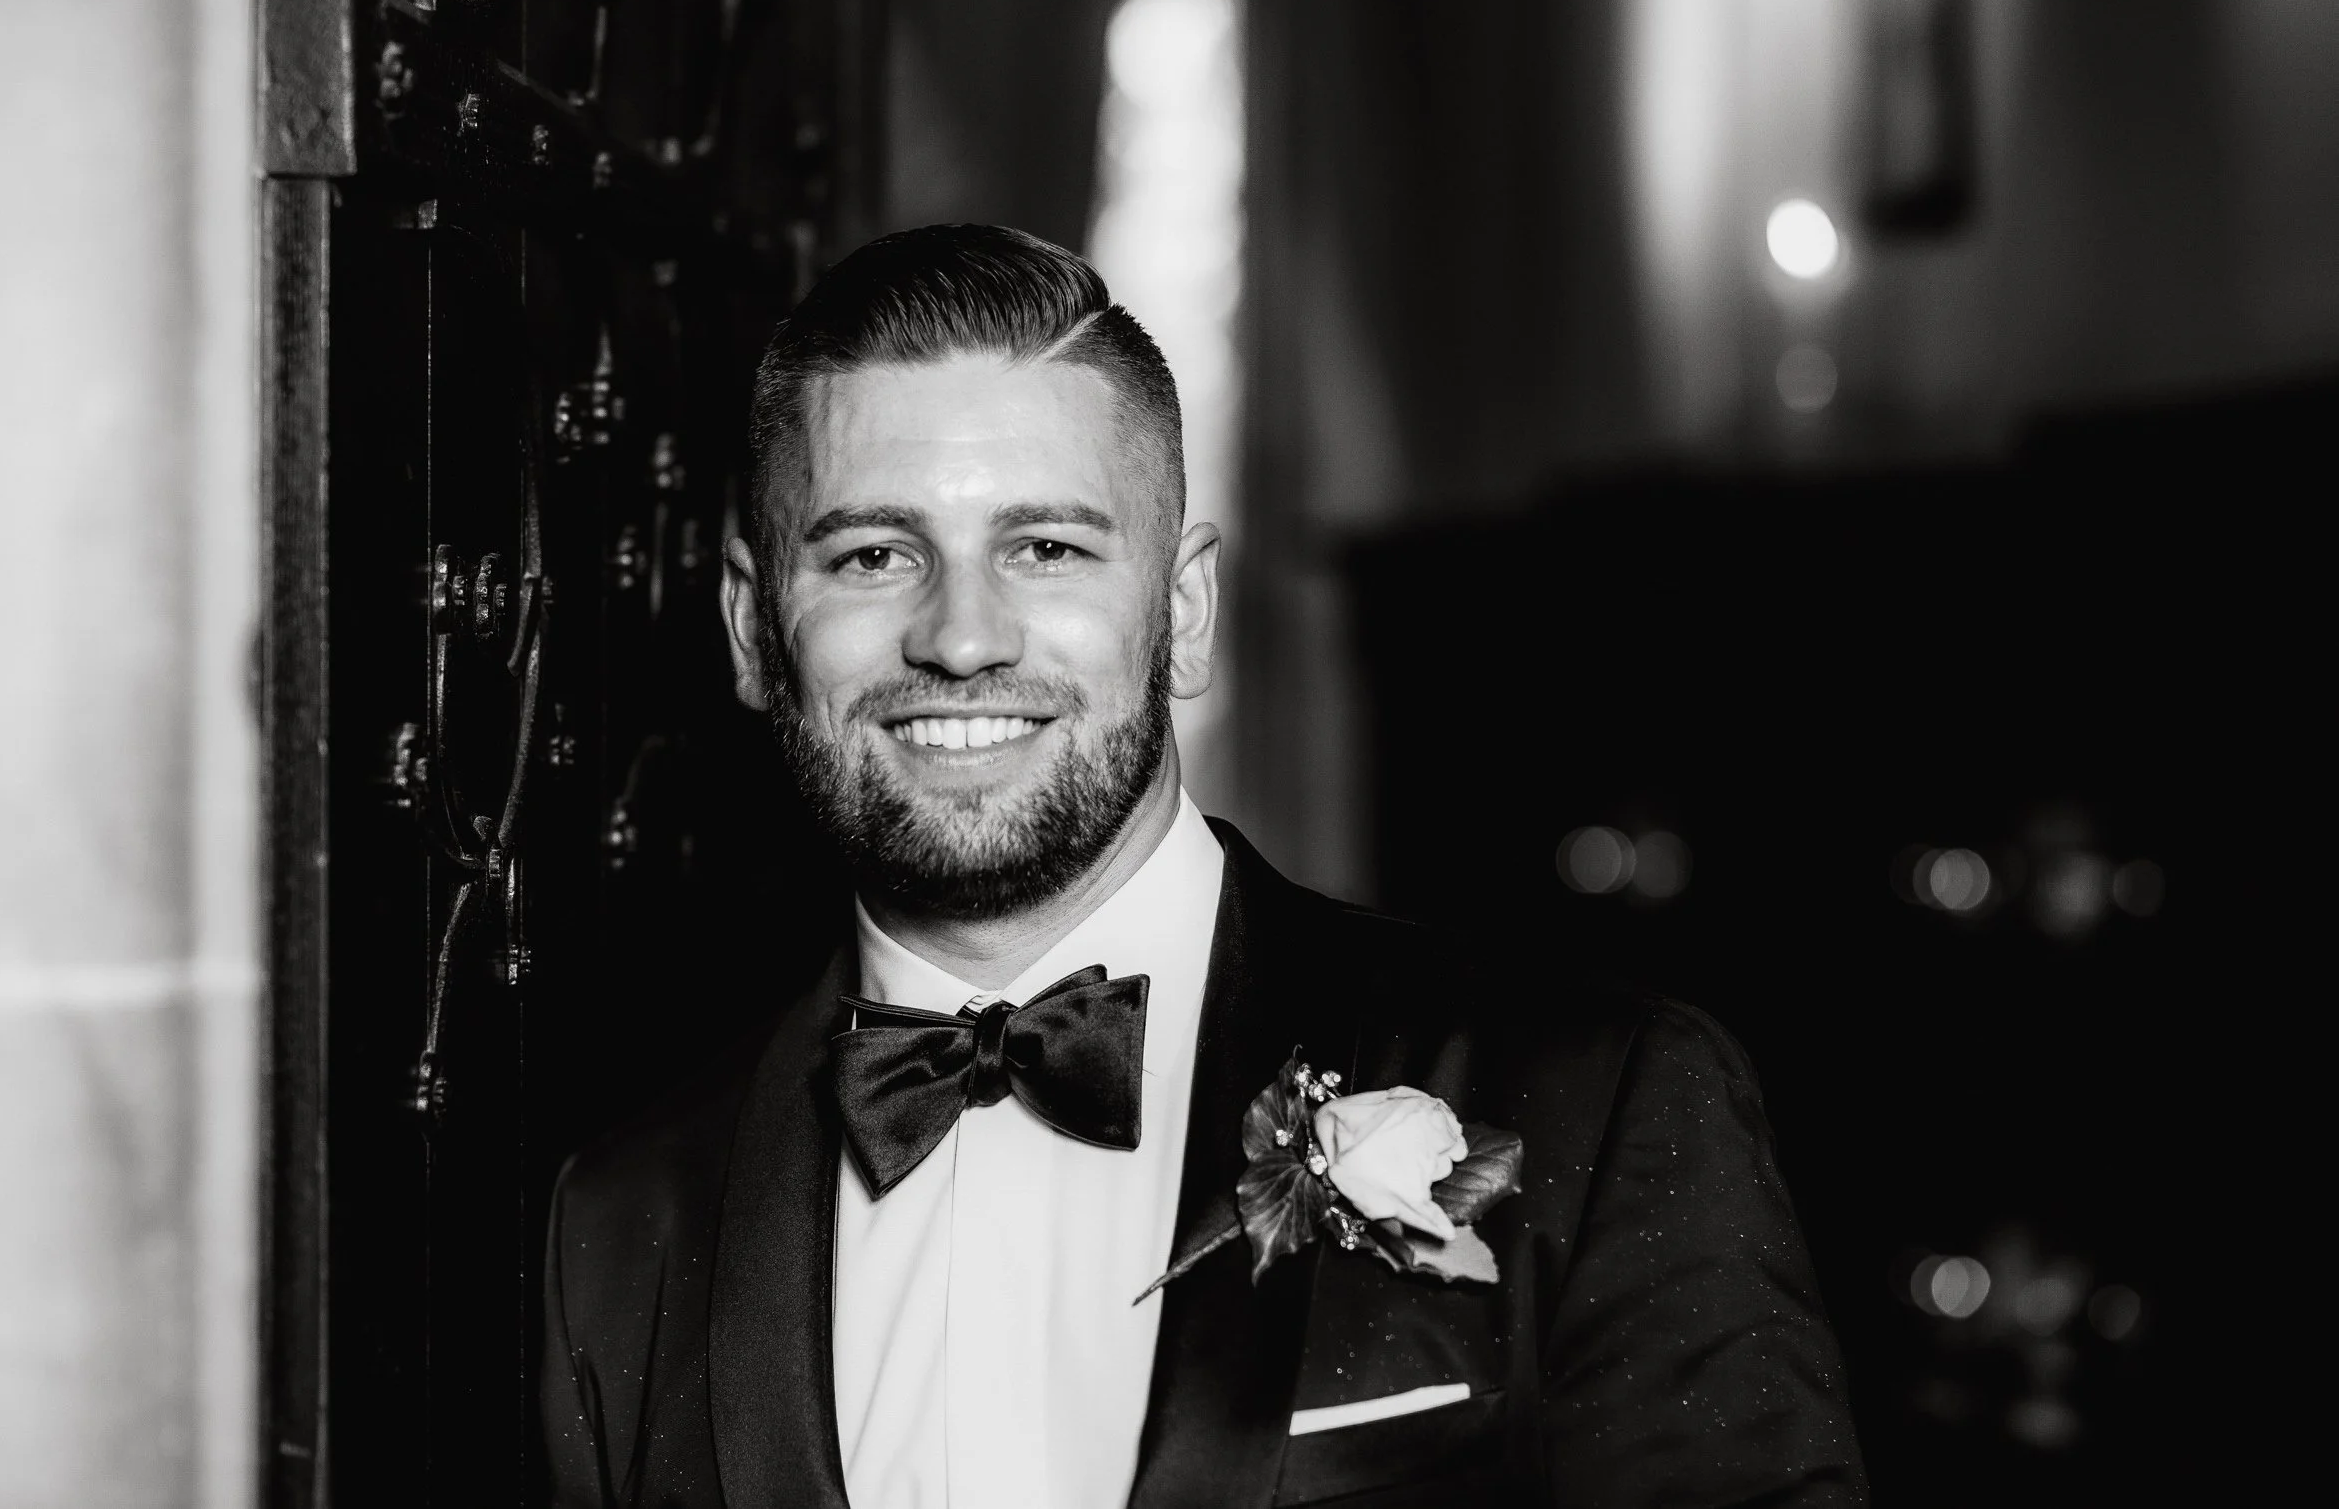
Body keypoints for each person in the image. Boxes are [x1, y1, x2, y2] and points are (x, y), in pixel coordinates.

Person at [540, 224, 1866, 1509]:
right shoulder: (622, 1220)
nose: (960, 637)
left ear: (1181, 613)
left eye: (1045, 547)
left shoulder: (1602, 1100)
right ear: (751, 631)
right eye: (875, 555)